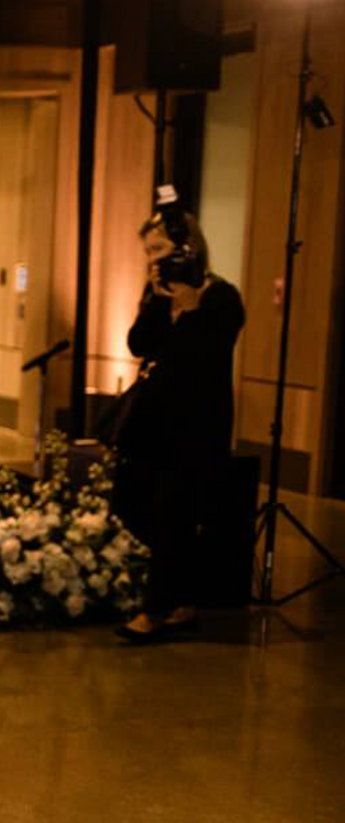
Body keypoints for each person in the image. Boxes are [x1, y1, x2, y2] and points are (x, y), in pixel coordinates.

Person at [113, 209, 244, 643]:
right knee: (133, 503)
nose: (154, 259)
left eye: (160, 249)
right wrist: (158, 304)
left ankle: (155, 610)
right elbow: (138, 344)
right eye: (148, 252)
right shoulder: (157, 294)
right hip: (153, 420)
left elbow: (204, 358)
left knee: (175, 512)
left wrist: (189, 310)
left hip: (196, 424)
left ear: (187, 247)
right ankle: (183, 599)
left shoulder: (222, 298)